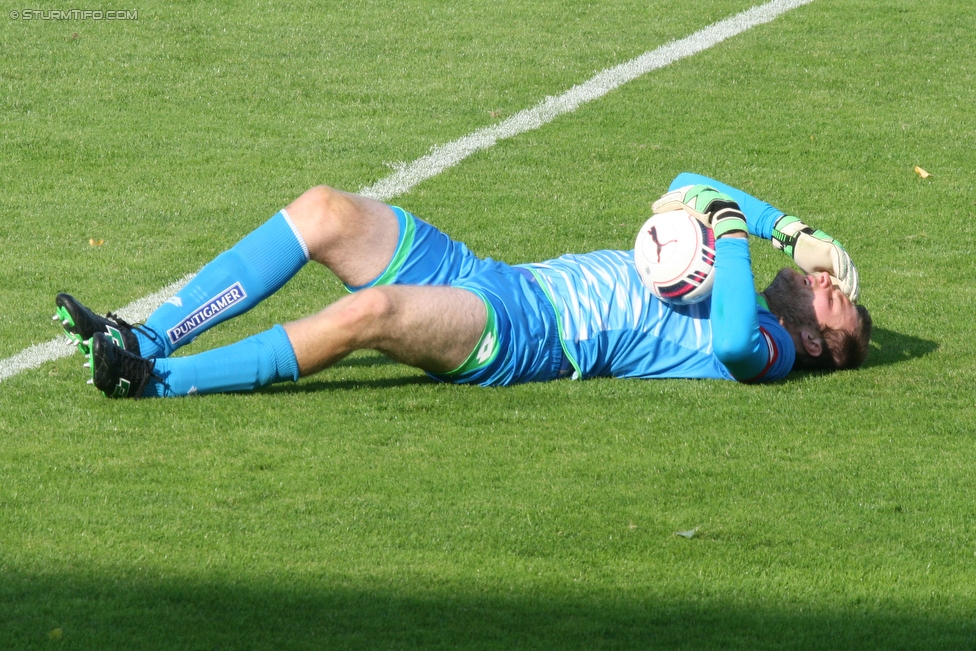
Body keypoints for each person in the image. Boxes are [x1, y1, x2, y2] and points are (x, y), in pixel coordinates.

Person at [54, 173, 872, 399]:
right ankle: (149, 332)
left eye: (841, 308)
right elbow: (688, 179)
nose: (832, 287)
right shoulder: (764, 281)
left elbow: (727, 334)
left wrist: (730, 229)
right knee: (326, 210)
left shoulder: (766, 346)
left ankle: (156, 381)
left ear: (813, 341)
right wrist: (792, 230)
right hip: (494, 277)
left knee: (370, 312)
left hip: (527, 338)